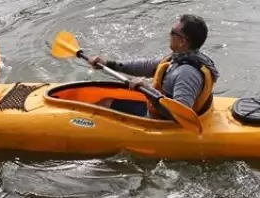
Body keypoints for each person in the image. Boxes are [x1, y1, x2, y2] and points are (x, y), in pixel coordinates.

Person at [86, 14, 219, 119]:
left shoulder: (186, 73)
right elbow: (147, 66)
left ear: (182, 41)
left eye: (173, 32)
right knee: (108, 102)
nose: (169, 35)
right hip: (159, 109)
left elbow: (182, 115)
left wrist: (149, 91)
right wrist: (108, 64)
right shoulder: (182, 57)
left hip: (163, 121)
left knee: (105, 104)